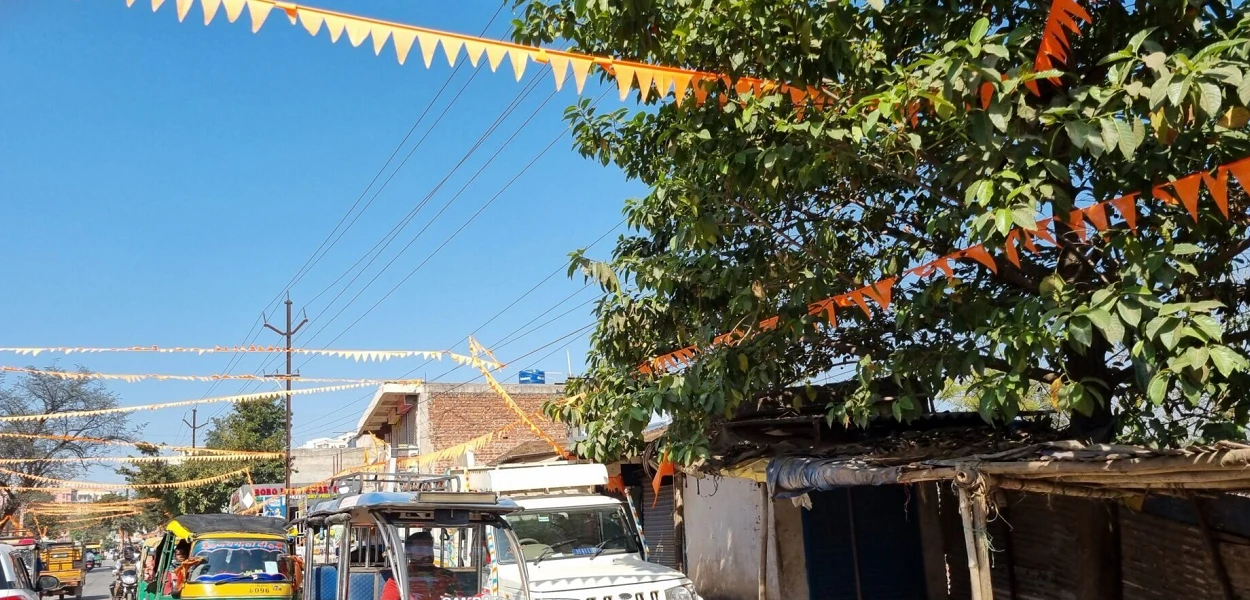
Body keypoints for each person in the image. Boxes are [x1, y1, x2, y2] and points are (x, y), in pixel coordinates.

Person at [379, 532, 456, 600]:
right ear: (409, 553)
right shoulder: (399, 580)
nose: (427, 554)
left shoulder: (447, 576)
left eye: (429, 549)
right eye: (420, 549)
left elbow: (460, 596)